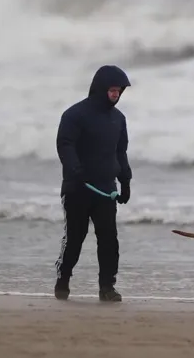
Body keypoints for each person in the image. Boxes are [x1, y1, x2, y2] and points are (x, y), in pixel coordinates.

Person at [53, 64, 134, 302]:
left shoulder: (118, 119)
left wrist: (125, 181)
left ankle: (107, 287)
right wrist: (74, 169)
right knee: (74, 239)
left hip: (106, 189)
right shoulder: (74, 115)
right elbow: (64, 144)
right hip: (77, 188)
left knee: (109, 239)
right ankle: (63, 280)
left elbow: (121, 153)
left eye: (119, 90)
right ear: (100, 89)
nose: (116, 94)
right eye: (112, 90)